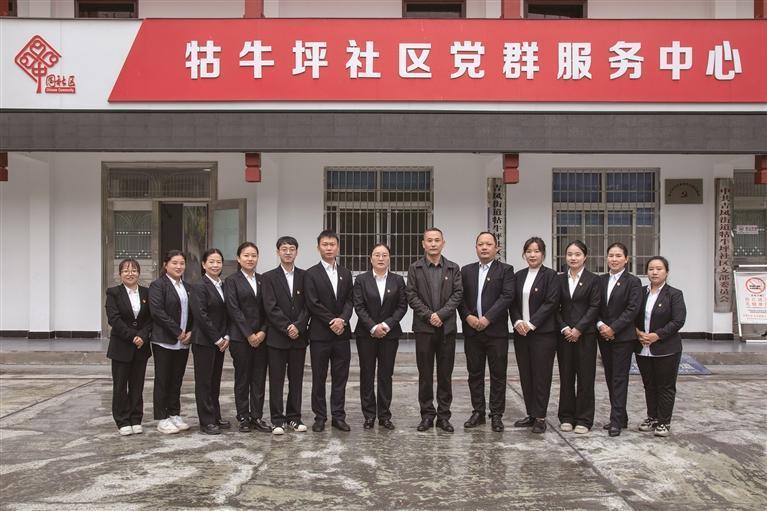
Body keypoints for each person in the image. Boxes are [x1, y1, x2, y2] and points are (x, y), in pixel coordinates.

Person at [406, 227, 463, 433]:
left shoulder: (453, 268)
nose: (433, 244)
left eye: (437, 240)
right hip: (424, 329)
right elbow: (411, 295)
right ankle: (427, 415)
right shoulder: (415, 268)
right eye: (429, 240)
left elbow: (458, 294)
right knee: (425, 374)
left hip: (446, 329)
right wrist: (430, 316)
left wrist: (441, 315)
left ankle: (444, 417)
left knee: (445, 375)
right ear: (423, 244)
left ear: (443, 243)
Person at [458, 232, 514, 432]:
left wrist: (487, 318)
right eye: (480, 244)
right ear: (476, 248)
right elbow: (459, 297)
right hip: (472, 331)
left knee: (498, 375)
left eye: (488, 244)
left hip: (496, 332)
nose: (484, 247)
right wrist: (468, 317)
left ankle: (496, 415)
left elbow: (507, 296)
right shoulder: (466, 271)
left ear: (496, 248)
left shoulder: (506, 270)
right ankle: (478, 412)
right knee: (475, 373)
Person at [353, 243, 408, 430]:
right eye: (377, 255)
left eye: (384, 255)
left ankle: (384, 415)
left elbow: (402, 306)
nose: (381, 258)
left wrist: (386, 325)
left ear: (389, 258)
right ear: (371, 258)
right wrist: (373, 326)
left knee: (386, 374)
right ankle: (369, 415)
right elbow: (359, 306)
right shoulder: (361, 280)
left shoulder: (397, 280)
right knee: (367, 374)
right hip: (366, 334)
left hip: (389, 334)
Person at [305, 231, 354, 433]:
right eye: (325, 244)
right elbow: (312, 302)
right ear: (318, 247)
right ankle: (320, 417)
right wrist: (332, 320)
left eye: (332, 244)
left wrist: (342, 319)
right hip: (320, 335)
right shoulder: (311, 274)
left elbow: (350, 300)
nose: (328, 248)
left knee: (340, 378)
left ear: (338, 247)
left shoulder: (346, 273)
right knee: (319, 377)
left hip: (342, 334)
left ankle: (338, 416)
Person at [509, 237, 560, 434]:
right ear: (524, 254)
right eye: (529, 251)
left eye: (536, 251)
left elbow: (551, 302)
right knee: (526, 373)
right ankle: (531, 413)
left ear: (543, 254)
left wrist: (531, 324)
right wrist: (517, 322)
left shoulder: (550, 276)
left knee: (541, 375)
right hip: (521, 333)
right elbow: (512, 302)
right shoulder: (519, 276)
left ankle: (540, 417)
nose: (532, 255)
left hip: (543, 334)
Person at [262, 236, 310, 435]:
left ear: (297, 252)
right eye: (284, 249)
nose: (288, 252)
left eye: (291, 249)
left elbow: (308, 305)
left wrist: (298, 326)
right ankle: (277, 419)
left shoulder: (305, 276)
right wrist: (286, 326)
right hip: (277, 338)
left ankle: (294, 418)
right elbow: (270, 306)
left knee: (296, 380)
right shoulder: (268, 277)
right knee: (276, 380)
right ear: (278, 252)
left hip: (299, 338)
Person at [635, 256, 687, 437]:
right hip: (643, 347)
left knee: (665, 386)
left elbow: (678, 320)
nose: (654, 272)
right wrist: (638, 333)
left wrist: (657, 335)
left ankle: (664, 421)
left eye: (659, 269)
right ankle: (652, 417)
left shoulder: (674, 294)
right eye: (651, 269)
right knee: (649, 385)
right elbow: (631, 314)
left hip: (666, 348)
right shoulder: (640, 293)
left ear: (667, 272)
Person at [597, 242, 643, 437]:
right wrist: (601, 325)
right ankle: (621, 416)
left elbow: (633, 309)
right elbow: (595, 306)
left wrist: (613, 328)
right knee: (610, 376)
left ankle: (615, 420)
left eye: (618, 256)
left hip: (623, 337)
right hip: (603, 335)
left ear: (626, 259)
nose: (614, 259)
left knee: (619, 378)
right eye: (611, 256)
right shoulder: (600, 280)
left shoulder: (633, 282)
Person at [223, 242, 270, 433]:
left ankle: (256, 416)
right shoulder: (231, 281)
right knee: (242, 378)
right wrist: (249, 334)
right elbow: (233, 309)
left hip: (261, 338)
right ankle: (243, 416)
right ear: (238, 258)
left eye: (253, 255)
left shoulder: (263, 280)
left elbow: (269, 308)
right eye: (246, 255)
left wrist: (262, 332)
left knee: (259, 378)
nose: (250, 259)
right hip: (240, 338)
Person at [556, 240, 601, 434]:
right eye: (569, 254)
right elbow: (554, 307)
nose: (573, 258)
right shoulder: (559, 279)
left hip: (586, 336)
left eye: (577, 254)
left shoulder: (593, 280)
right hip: (564, 335)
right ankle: (566, 416)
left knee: (585, 378)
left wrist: (579, 329)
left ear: (585, 257)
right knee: (566, 377)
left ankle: (584, 419)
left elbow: (594, 306)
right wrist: (564, 327)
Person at [105, 258, 152, 436]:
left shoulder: (147, 292)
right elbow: (114, 319)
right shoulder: (113, 293)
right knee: (120, 386)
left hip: (141, 347)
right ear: (120, 274)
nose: (130, 274)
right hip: (121, 346)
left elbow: (151, 318)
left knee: (137, 385)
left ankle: (136, 418)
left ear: (139, 273)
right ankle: (122, 420)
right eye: (126, 270)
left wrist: (143, 336)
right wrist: (133, 336)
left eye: (133, 270)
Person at [149, 250, 193, 434]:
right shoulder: (158, 285)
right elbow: (157, 312)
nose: (179, 266)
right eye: (174, 263)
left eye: (182, 263)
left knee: (176, 379)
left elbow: (193, 312)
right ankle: (162, 418)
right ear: (165, 265)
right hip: (164, 341)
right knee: (163, 379)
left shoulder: (187, 287)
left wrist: (190, 332)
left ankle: (174, 413)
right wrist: (177, 332)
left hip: (183, 342)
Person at [189, 248, 230, 435]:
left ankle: (215, 415)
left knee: (215, 381)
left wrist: (226, 336)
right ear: (204, 264)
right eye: (211, 262)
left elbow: (227, 313)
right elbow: (201, 315)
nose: (215, 265)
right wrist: (217, 338)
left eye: (218, 262)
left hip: (220, 341)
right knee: (204, 382)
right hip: (204, 341)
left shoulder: (223, 285)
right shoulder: (199, 286)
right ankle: (206, 421)